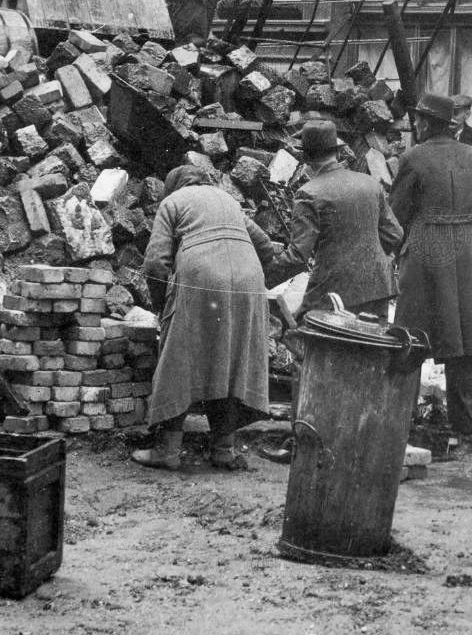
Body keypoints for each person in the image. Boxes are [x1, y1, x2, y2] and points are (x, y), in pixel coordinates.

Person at [133, 165, 280, 471]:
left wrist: (164, 309)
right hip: (248, 280)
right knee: (229, 358)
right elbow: (266, 247)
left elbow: (154, 264)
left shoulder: (172, 202)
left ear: (173, 186)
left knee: (179, 359)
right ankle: (223, 450)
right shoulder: (227, 200)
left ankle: (169, 451)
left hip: (201, 277)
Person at [390, 94, 472, 436]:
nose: (416, 124)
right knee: (463, 338)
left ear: (426, 123)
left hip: (424, 248)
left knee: (412, 333)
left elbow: (397, 215)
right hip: (464, 251)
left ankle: (400, 419)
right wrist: (468, 239)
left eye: (419, 120)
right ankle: (466, 424)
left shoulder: (414, 157)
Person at [264, 119, 403, 317]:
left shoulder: (309, 193)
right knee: (372, 345)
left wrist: (263, 277)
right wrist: (367, 257)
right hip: (378, 286)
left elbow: (298, 256)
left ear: (305, 157)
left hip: (333, 294)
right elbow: (395, 234)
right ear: (337, 153)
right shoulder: (369, 183)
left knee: (306, 338)